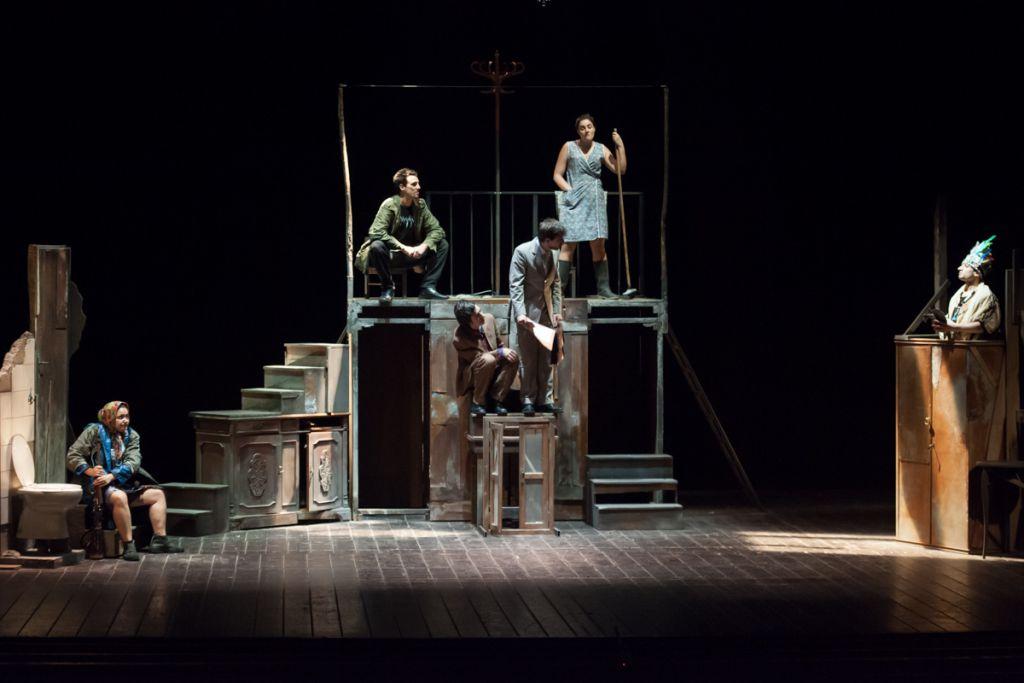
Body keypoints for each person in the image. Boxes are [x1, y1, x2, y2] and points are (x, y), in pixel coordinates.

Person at [66, 401, 183, 560]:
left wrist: (112, 476)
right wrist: (89, 471)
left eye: (127, 416)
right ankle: (128, 544)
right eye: (120, 417)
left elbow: (134, 461)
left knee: (157, 495)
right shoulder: (94, 432)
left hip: (121, 483)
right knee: (119, 497)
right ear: (109, 417)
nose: (125, 421)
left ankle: (160, 540)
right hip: (97, 488)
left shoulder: (131, 436)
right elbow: (72, 455)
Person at [552, 113, 631, 299]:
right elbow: (557, 174)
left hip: (595, 200)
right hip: (574, 201)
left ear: (594, 128)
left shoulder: (601, 148)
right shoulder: (569, 147)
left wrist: (620, 146)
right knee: (568, 245)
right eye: (582, 128)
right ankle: (558, 291)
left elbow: (620, 169)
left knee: (598, 245)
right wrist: (570, 191)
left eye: (589, 126)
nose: (586, 130)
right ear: (578, 131)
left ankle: (603, 289)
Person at [355, 168, 450, 304]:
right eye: (414, 184)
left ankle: (427, 287)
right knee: (376, 246)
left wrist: (423, 246)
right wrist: (403, 248)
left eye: (418, 183)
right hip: (390, 255)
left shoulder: (420, 205)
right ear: (402, 187)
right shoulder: (390, 204)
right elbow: (376, 232)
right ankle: (387, 288)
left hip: (412, 254)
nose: (419, 187)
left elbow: (437, 230)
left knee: (442, 244)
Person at [509, 218, 565, 416]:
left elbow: (555, 283)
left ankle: (545, 399)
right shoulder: (522, 251)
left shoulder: (554, 253)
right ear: (547, 239)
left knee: (547, 359)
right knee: (528, 359)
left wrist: (556, 310)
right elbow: (515, 286)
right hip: (528, 313)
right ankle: (528, 399)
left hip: (546, 313)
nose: (562, 242)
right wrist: (520, 313)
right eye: (559, 239)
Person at [452, 302, 519, 416]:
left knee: (512, 356)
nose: (482, 315)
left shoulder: (489, 319)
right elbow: (478, 358)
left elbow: (499, 344)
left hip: (492, 365)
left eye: (480, 311)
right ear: (468, 323)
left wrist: (503, 351)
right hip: (474, 373)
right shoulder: (459, 338)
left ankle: (497, 400)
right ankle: (478, 402)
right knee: (488, 360)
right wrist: (500, 352)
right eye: (477, 315)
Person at [932, 235, 1001, 341]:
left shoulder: (986, 295)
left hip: (973, 348)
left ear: (977, 273)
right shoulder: (958, 295)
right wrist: (943, 323)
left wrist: (954, 327)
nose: (959, 268)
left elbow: (984, 326)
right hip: (954, 346)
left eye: (965, 266)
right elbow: (954, 318)